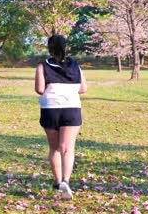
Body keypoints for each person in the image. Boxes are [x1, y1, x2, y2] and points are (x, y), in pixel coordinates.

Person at [34, 34, 87, 200]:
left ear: (49, 48)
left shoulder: (42, 66)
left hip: (50, 109)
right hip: (71, 109)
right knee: (67, 148)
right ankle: (66, 180)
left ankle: (58, 182)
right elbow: (83, 88)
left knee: (55, 148)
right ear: (66, 47)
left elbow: (40, 89)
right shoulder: (75, 65)